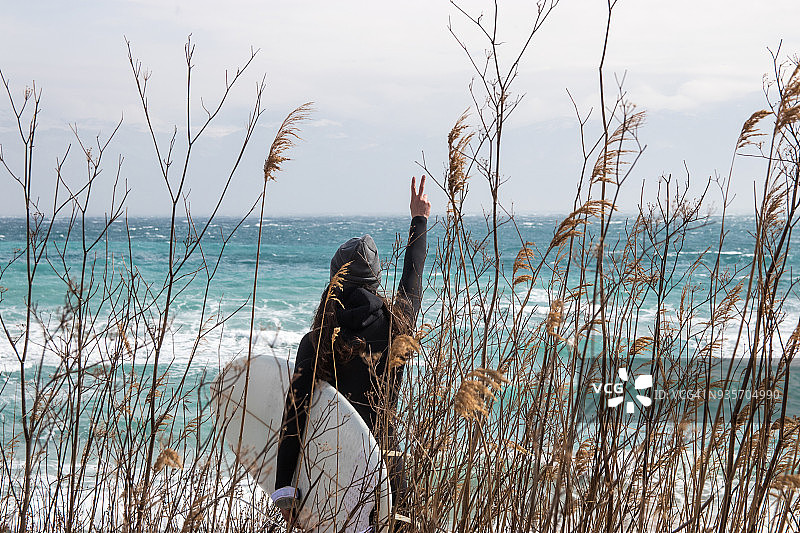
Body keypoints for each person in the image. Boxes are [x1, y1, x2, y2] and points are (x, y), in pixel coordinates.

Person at [273, 175, 431, 531]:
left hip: (333, 478)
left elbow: (294, 420)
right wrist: (419, 219)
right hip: (389, 475)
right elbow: (413, 275)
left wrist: (285, 490)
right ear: (376, 281)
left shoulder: (317, 342)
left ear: (335, 283)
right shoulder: (398, 324)